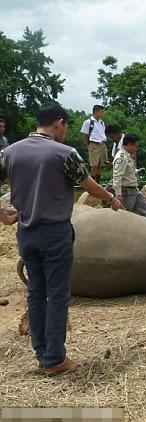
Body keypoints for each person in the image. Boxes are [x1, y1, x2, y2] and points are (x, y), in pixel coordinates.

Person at [0, 103, 121, 375]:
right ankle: (55, 359)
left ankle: (42, 352)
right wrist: (111, 198)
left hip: (26, 233)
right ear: (59, 123)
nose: (67, 132)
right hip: (55, 233)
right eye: (66, 126)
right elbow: (87, 183)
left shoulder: (10, 151)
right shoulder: (66, 153)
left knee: (35, 291)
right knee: (56, 295)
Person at [112, 134, 146, 218]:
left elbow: (128, 171)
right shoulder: (121, 158)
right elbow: (117, 176)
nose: (136, 149)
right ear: (129, 145)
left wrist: (137, 172)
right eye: (135, 146)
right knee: (125, 215)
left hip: (134, 190)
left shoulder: (128, 156)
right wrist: (118, 195)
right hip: (126, 191)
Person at [80, 104, 108, 185]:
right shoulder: (88, 122)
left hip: (102, 144)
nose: (103, 113)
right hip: (94, 144)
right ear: (96, 111)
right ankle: (93, 184)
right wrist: (88, 145)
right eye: (102, 112)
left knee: (101, 164)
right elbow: (85, 135)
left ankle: (98, 183)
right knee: (94, 165)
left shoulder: (102, 122)